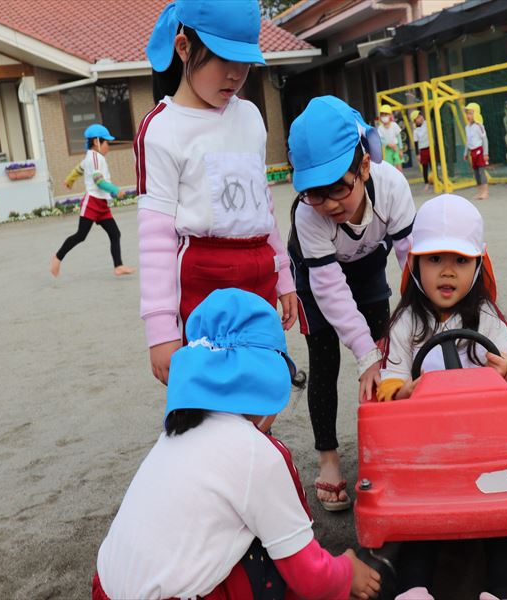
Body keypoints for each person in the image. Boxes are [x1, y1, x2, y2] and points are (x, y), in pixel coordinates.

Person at [93, 288, 382, 600]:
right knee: (274, 563)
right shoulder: (257, 452)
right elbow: (311, 579)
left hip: (106, 587)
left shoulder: (174, 435)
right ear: (266, 381)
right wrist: (346, 572)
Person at [136, 0, 296, 387]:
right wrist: (161, 330)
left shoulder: (251, 117)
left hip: (260, 273)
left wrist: (284, 275)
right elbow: (156, 238)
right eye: (223, 58)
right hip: (203, 280)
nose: (235, 74)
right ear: (183, 47)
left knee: (265, 380)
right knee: (210, 390)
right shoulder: (162, 129)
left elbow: (262, 206)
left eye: (244, 62)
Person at [377, 194, 507, 599]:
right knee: (418, 513)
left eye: (460, 260)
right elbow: (389, 381)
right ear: (414, 264)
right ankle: (413, 587)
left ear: (478, 265)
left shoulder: (488, 319)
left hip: (486, 446)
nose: (447, 271)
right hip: (426, 449)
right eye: (434, 259)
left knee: (505, 509)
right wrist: (403, 391)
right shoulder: (406, 323)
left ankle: (505, 588)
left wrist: (506, 371)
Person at [287, 96, 416, 511]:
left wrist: (413, 329)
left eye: (338, 188)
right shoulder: (308, 215)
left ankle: (389, 444)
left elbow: (412, 267)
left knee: (388, 351)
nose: (329, 204)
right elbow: (330, 290)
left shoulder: (392, 186)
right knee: (325, 359)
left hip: (367, 263)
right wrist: (363, 354)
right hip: (316, 275)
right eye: (315, 193)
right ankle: (328, 456)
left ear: (363, 166)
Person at [50, 124, 136, 278]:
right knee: (81, 235)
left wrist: (69, 179)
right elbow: (98, 181)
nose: (108, 146)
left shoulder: (91, 157)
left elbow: (79, 169)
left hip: (102, 204)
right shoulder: (95, 158)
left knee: (115, 233)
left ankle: (118, 266)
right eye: (106, 142)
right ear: (97, 142)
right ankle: (57, 257)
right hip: (92, 203)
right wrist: (115, 190)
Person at [463, 102, 489, 200]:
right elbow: (468, 141)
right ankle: (480, 191)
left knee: (481, 171)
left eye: (470, 113)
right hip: (472, 152)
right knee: (476, 173)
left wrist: (485, 153)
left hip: (479, 151)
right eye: (467, 113)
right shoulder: (467, 127)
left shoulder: (479, 126)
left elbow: (484, 139)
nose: (468, 116)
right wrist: (466, 152)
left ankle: (485, 192)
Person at [377, 105, 403, 172]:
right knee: (389, 167)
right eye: (382, 115)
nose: (384, 117)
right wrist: (389, 145)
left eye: (386, 114)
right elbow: (381, 140)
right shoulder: (380, 128)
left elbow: (399, 137)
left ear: (390, 115)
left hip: (396, 147)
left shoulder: (394, 125)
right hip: (388, 149)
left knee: (398, 165)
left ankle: (400, 177)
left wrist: (400, 149)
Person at [410, 110, 431, 191]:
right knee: (425, 167)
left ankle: (436, 179)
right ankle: (426, 183)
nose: (421, 118)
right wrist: (417, 154)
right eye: (418, 118)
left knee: (433, 166)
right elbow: (416, 143)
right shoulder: (416, 131)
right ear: (415, 121)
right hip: (423, 149)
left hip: (430, 147)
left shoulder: (426, 123)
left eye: (420, 116)